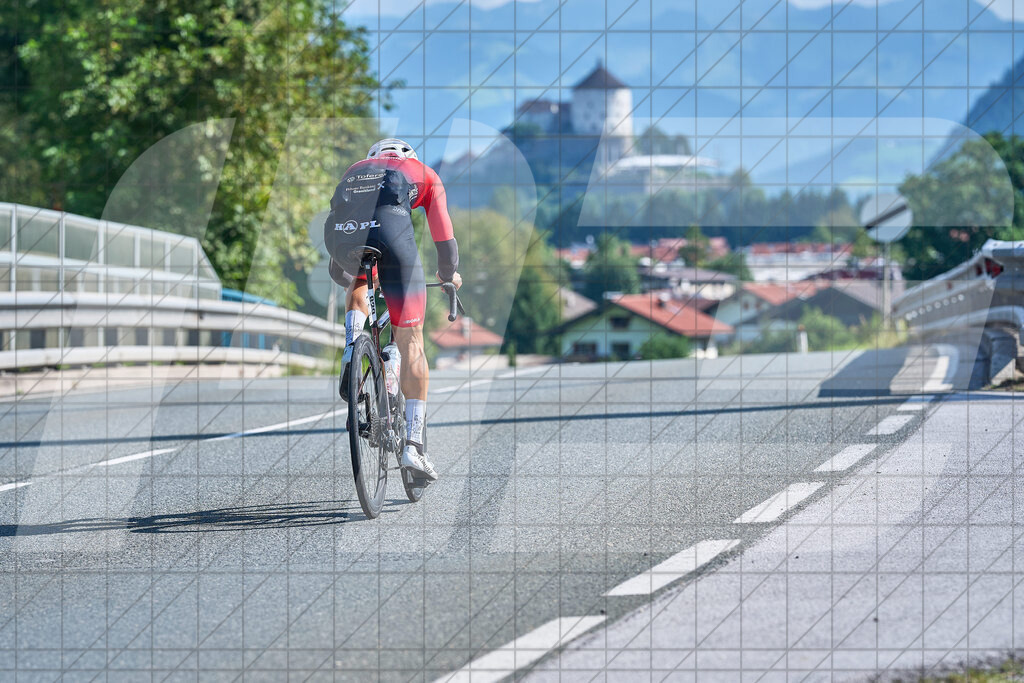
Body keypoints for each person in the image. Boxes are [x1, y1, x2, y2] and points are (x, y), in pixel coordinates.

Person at [324, 138, 461, 482]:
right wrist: (448, 276)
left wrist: (357, 277)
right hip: (392, 235)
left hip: (340, 238)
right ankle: (413, 447)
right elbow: (445, 243)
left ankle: (352, 349)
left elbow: (336, 269)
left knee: (356, 279)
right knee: (411, 340)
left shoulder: (354, 171)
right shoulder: (424, 174)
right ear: (408, 157)